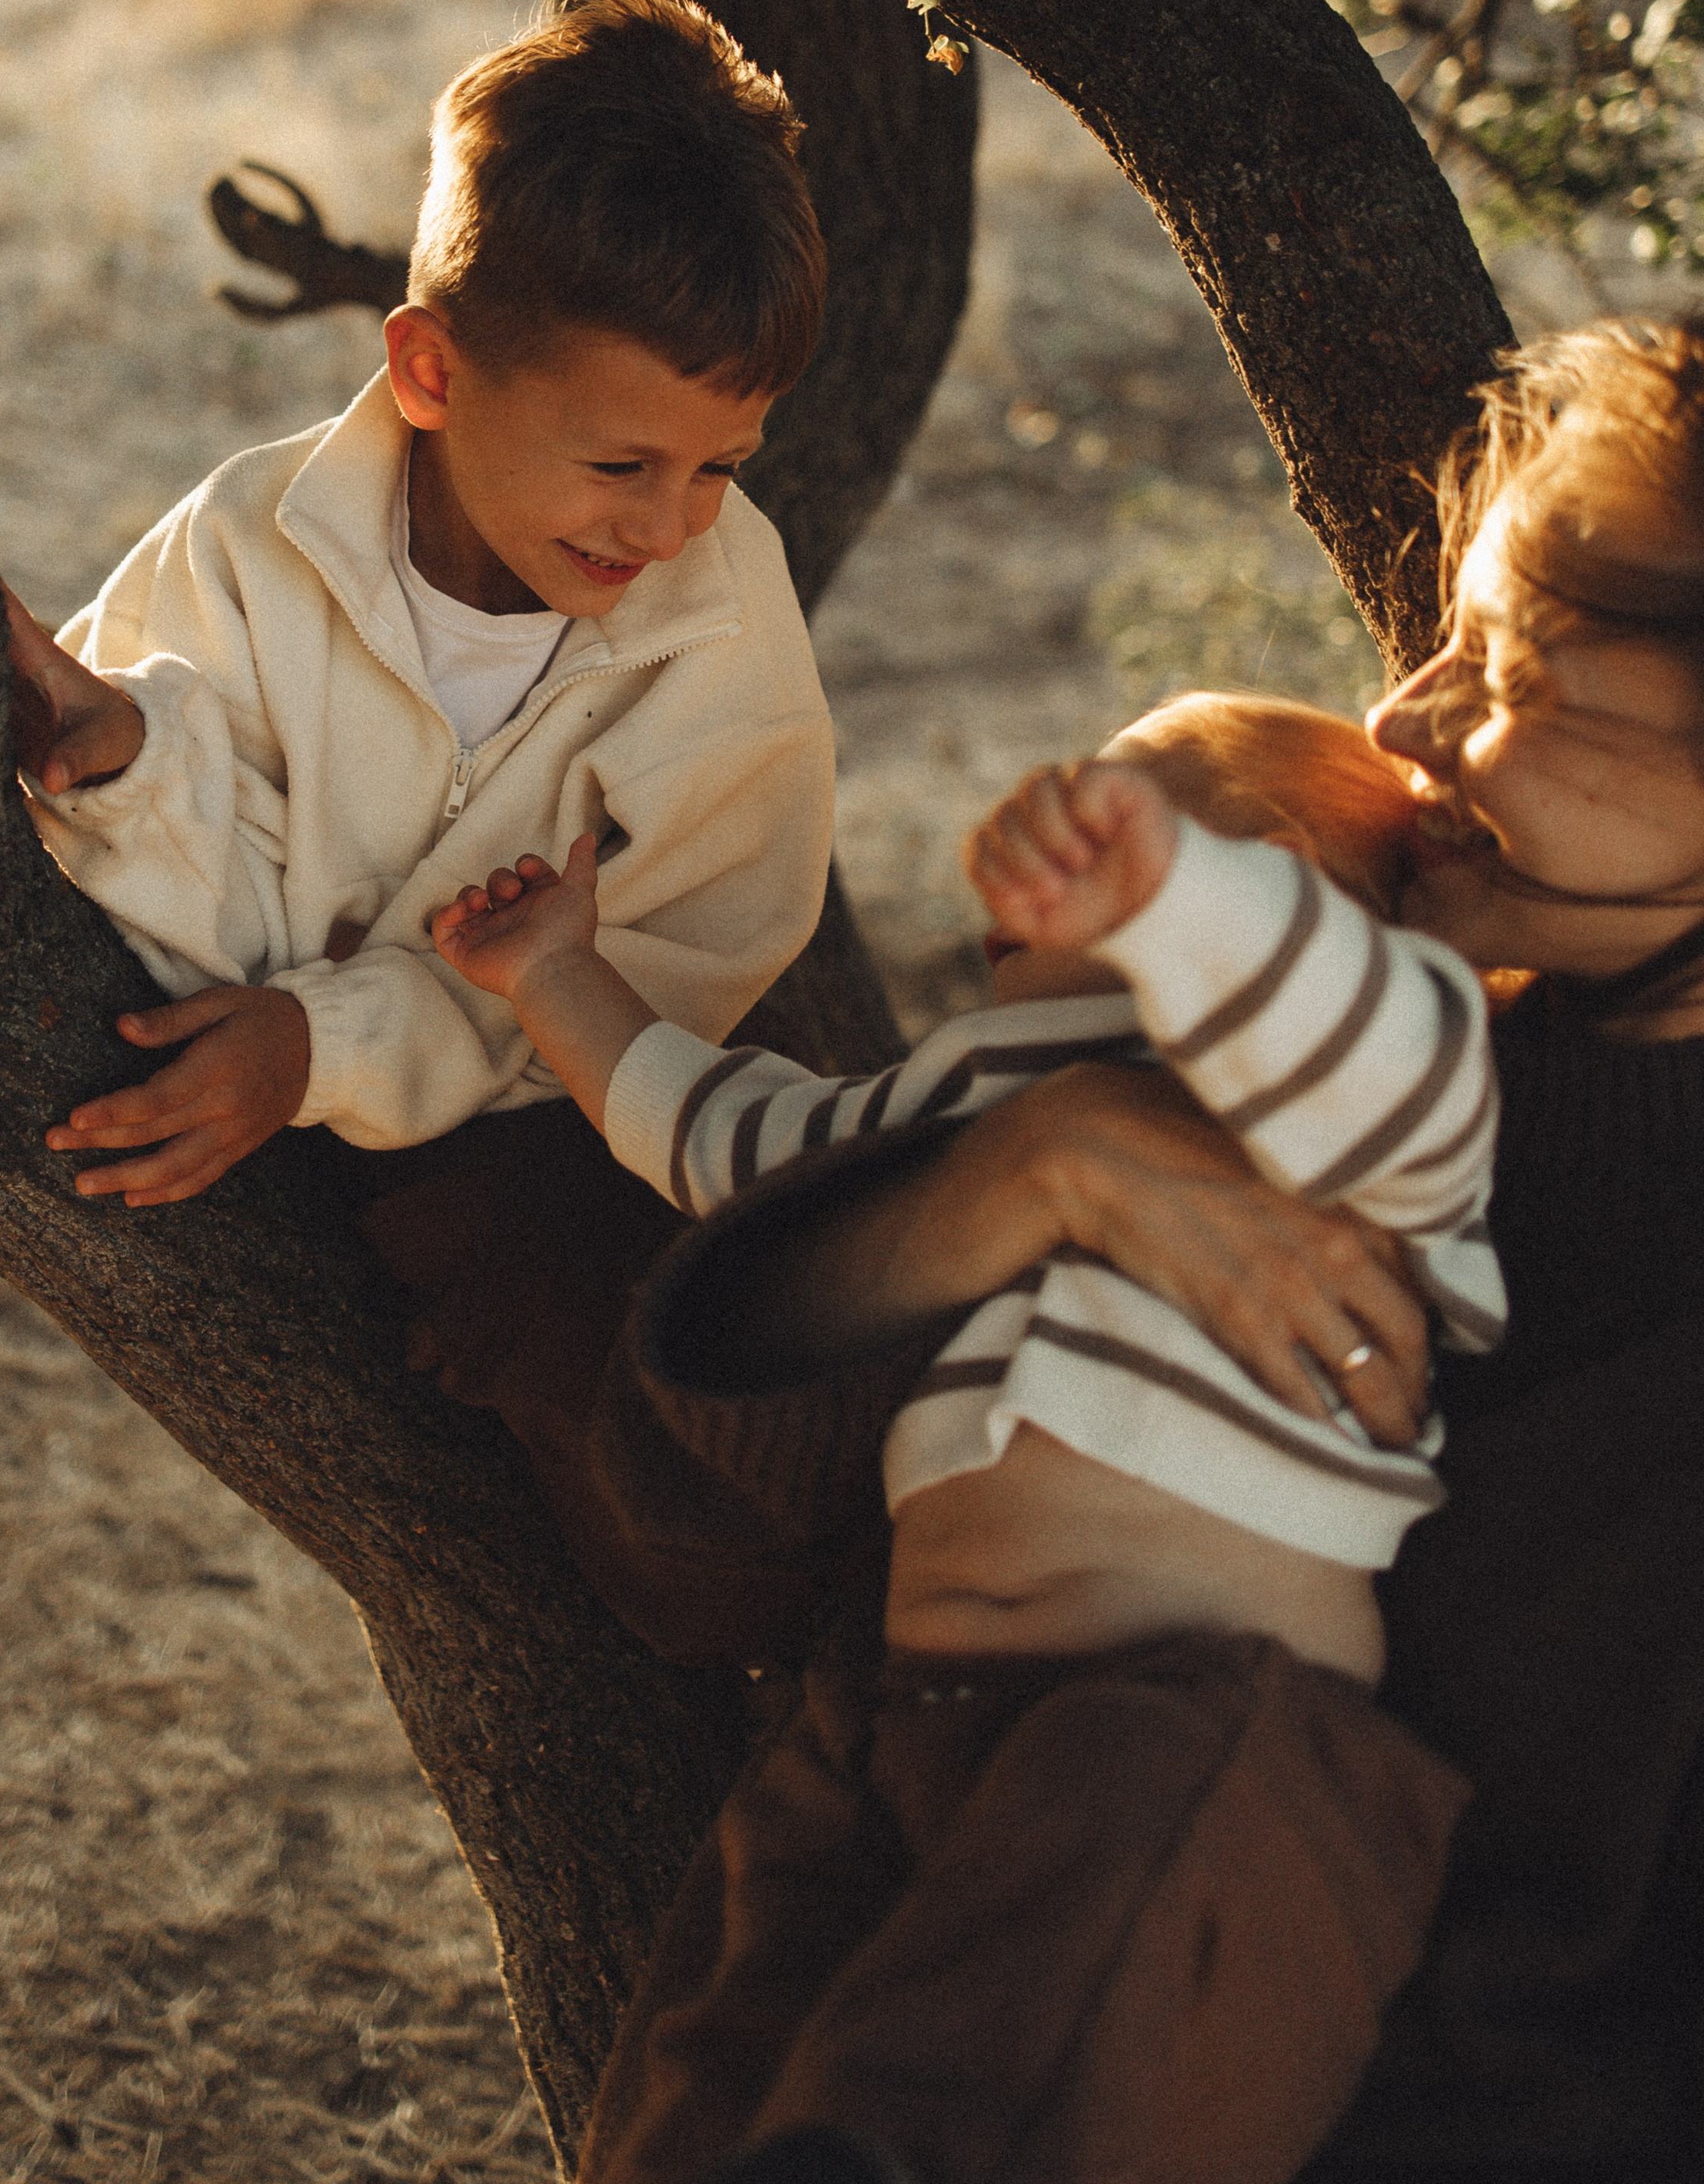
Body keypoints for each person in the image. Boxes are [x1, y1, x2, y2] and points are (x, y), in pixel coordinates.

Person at [554, 313, 1704, 2184]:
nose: (1403, 720)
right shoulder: (1339, 1045)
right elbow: (689, 1511)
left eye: (1521, 678)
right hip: (898, 1858)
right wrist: (1035, 1168)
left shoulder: (1391, 1082)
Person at [430, 688, 1505, 2184]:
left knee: (1050, 2003)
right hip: (899, 1702)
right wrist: (555, 975)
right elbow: (728, 1143)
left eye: (1109, 809)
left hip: (1196, 1701)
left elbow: (1368, 1025)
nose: (1018, 853)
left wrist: (1183, 895)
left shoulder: (1371, 1118)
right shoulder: (964, 1093)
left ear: (1277, 880)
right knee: (734, 2019)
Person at [0, 0, 835, 1212]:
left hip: (543, 1160)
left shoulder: (727, 644)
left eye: (719, 467)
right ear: (432, 371)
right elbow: (150, 910)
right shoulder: (250, 547)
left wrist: (321, 1049)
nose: (667, 527)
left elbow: (663, 991)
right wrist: (133, 765)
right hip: (230, 1143)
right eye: (620, 466)